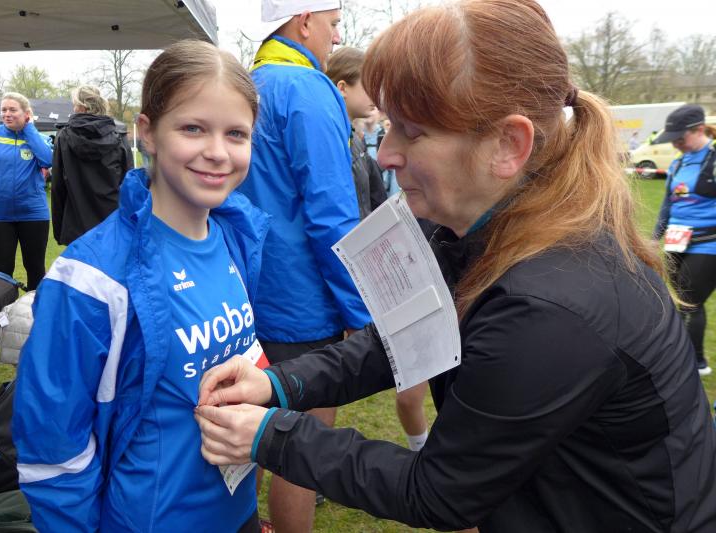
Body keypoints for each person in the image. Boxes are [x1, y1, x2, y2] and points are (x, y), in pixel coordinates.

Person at [194, 3, 716, 532]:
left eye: (412, 132)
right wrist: (278, 385)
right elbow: (406, 339)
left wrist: (271, 436)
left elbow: (439, 491)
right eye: (389, 126)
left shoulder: (551, 302)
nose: (385, 155)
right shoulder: (482, 232)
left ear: (507, 145)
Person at [12, 40, 269, 532]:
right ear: (147, 133)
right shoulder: (90, 278)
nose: (218, 152)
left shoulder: (240, 235)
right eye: (193, 128)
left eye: (236, 133)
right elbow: (52, 448)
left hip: (238, 511)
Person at [238, 1, 371, 531]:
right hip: (301, 301)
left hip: (242, 292)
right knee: (301, 447)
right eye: (334, 24)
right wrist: (359, 312)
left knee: (245, 434)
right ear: (304, 21)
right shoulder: (307, 88)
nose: (336, 38)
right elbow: (331, 212)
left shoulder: (246, 82)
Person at [326, 46, 429, 451]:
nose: (387, 157)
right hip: (352, 271)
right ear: (341, 87)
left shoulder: (352, 140)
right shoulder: (335, 140)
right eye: (368, 86)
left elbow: (374, 204)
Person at [0, 92, 53, 291]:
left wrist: (28, 129)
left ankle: (36, 310)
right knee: (1, 271)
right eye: (4, 110)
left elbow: (47, 160)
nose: (7, 114)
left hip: (34, 214)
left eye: (13, 110)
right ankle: (3, 311)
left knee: (36, 269)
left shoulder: (39, 138)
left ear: (26, 113)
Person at [653, 103, 716, 376]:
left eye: (680, 138)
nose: (675, 144)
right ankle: (676, 355)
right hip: (676, 241)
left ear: (699, 130)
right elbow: (668, 205)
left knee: (690, 301)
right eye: (673, 139)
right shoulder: (678, 163)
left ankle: (697, 362)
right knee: (675, 299)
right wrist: (654, 238)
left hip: (708, 243)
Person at [51, 84, 133, 245]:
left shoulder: (64, 137)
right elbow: (129, 183)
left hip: (77, 225)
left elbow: (58, 186)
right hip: (111, 223)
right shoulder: (118, 136)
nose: (73, 108)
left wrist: (60, 229)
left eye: (74, 104)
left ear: (82, 107)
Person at [324, 46, 387, 219]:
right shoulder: (326, 139)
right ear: (343, 88)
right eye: (368, 85)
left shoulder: (356, 141)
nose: (375, 94)